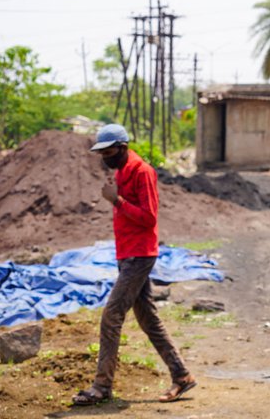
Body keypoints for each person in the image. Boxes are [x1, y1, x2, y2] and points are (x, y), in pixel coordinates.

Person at [72, 124, 196, 406]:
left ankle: (102, 386)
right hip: (126, 253)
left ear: (123, 148)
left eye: (109, 151)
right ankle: (182, 375)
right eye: (101, 152)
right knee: (148, 319)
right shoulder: (121, 172)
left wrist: (116, 200)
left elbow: (149, 218)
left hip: (140, 255)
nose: (105, 157)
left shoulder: (142, 172)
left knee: (112, 315)